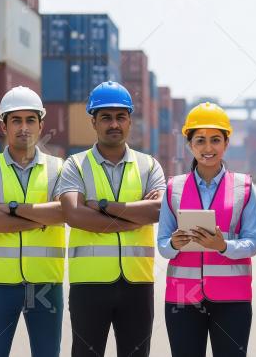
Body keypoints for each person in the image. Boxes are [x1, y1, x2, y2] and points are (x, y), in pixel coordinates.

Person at [57, 81, 166, 357]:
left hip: (138, 286)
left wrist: (102, 207)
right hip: (88, 286)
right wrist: (134, 216)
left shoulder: (149, 165)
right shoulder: (75, 164)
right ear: (93, 122)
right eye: (106, 117)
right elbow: (73, 215)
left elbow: (158, 211)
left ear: (130, 121)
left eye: (120, 117)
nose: (114, 124)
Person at [158, 102, 256, 357]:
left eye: (215, 140)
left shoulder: (244, 187)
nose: (208, 148)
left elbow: (253, 242)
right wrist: (174, 244)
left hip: (232, 299)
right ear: (189, 144)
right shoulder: (174, 188)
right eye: (200, 140)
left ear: (226, 143)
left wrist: (223, 246)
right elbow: (162, 244)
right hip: (183, 297)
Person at [0, 86, 66, 357]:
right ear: (4, 125)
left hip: (45, 283)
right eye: (16, 120)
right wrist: (39, 218)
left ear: (41, 124)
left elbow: (63, 213)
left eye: (30, 120)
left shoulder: (59, 168)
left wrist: (11, 209)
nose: (24, 127)